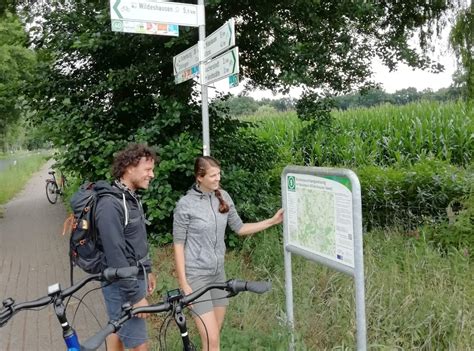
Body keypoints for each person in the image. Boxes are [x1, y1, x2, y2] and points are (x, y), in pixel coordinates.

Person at [173, 156, 283, 351]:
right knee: (212, 337)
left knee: (214, 337)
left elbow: (239, 228)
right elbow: (178, 245)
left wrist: (272, 221)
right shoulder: (185, 205)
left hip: (218, 274)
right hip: (196, 276)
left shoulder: (223, 196)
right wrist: (184, 284)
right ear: (199, 177)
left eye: (219, 174)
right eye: (213, 175)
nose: (218, 179)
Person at [95, 143, 158, 351]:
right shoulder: (110, 204)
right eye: (147, 169)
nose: (152, 175)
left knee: (117, 328)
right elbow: (116, 255)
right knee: (140, 345)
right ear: (130, 167)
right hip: (122, 284)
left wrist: (147, 270)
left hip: (133, 276)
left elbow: (136, 241)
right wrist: (136, 297)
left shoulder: (130, 198)